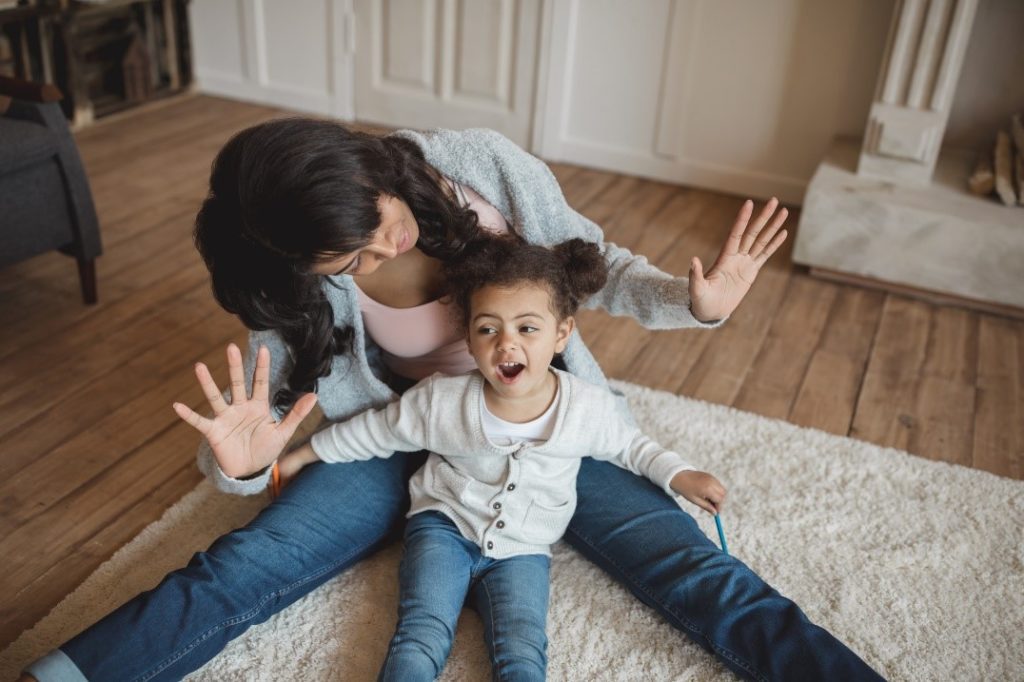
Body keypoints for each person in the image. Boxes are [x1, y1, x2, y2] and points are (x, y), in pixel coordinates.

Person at [22, 119, 882, 681]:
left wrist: (692, 304)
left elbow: (595, 263)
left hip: (540, 420)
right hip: (396, 439)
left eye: (383, 212)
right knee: (243, 566)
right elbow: (257, 431)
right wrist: (240, 469)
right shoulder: (296, 286)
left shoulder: (477, 166)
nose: (392, 242)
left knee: (697, 570)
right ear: (309, 267)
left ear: (372, 166)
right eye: (354, 257)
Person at [264, 236, 727, 680]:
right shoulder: (440, 401)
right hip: (443, 525)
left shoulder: (588, 408)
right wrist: (303, 454)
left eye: (528, 328)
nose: (506, 344)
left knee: (522, 650)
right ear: (468, 339)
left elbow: (633, 447)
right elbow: (375, 432)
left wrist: (680, 474)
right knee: (420, 635)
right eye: (488, 329)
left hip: (525, 549)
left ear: (562, 333)